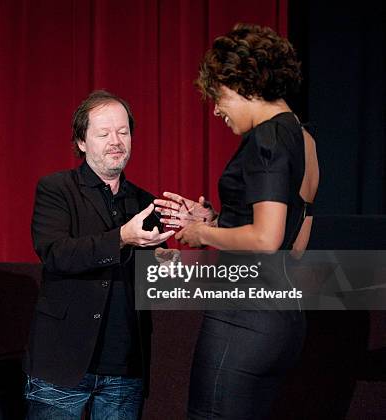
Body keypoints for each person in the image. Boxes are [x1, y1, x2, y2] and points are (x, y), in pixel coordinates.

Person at [154, 23, 319, 419]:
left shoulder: (268, 138)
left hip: (244, 319)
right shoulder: (304, 139)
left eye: (219, 95)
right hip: (283, 323)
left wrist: (200, 232)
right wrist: (218, 220)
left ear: (244, 84)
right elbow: (294, 246)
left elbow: (266, 238)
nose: (215, 109)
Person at [24, 90, 174, 419]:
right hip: (61, 366)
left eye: (123, 132)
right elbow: (56, 254)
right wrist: (122, 237)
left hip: (124, 369)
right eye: (104, 133)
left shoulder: (146, 201)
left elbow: (156, 278)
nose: (116, 141)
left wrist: (191, 234)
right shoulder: (56, 189)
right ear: (81, 142)